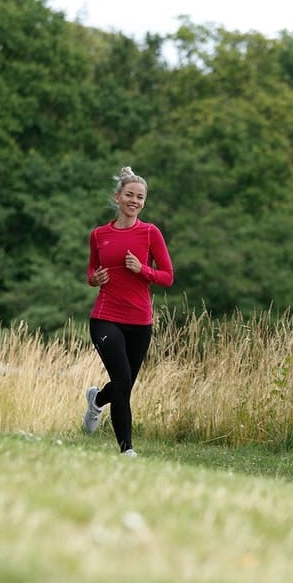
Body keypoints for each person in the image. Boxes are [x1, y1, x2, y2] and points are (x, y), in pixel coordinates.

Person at [83, 166, 174, 456]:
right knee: (122, 382)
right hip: (105, 317)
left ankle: (97, 400)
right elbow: (91, 270)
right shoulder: (99, 234)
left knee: (124, 385)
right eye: (130, 195)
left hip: (140, 320)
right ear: (118, 197)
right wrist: (94, 279)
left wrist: (142, 269)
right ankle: (127, 451)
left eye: (140, 197)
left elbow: (168, 276)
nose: (135, 201)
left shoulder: (150, 233)